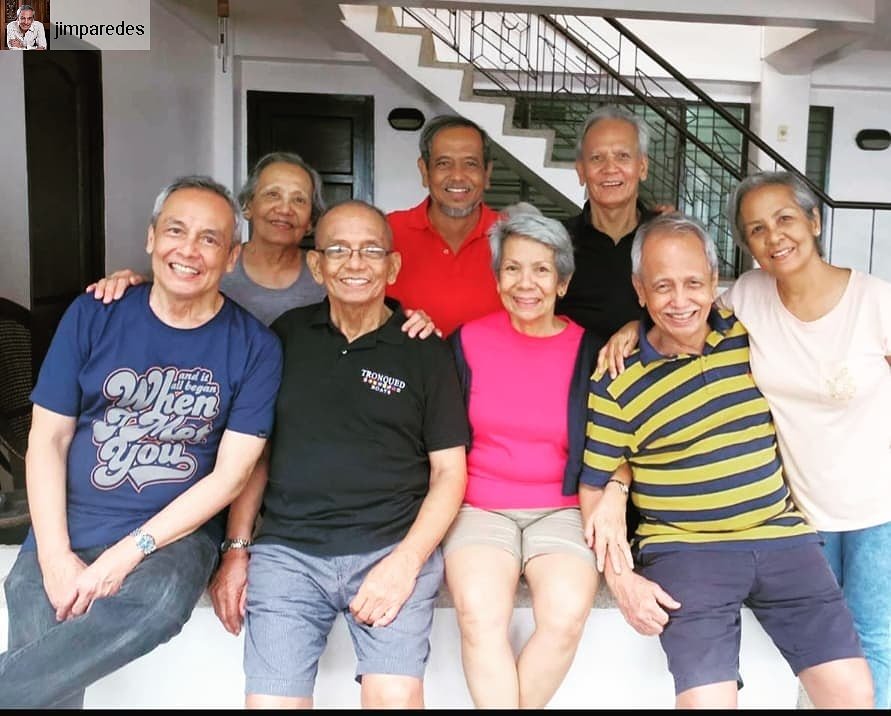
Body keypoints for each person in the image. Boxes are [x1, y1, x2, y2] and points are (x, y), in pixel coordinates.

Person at [598, 171, 891, 709]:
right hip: (786, 511)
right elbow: (679, 300)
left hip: (868, 504)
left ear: (814, 220)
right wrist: (632, 329)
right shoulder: (749, 299)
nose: (774, 236)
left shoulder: (875, 301)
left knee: (869, 656)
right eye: (757, 228)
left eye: (785, 218)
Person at [0, 176, 283, 708]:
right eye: (176, 230)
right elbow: (49, 438)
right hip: (72, 517)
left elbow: (231, 475)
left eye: (209, 239)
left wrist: (127, 554)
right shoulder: (94, 313)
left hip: (174, 536)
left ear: (231, 257)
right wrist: (56, 553)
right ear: (152, 237)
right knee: (32, 600)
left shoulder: (256, 347)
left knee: (159, 601)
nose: (189, 250)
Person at [212, 199, 469, 708]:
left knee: (394, 700)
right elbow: (256, 456)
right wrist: (237, 551)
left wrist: (406, 563)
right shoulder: (283, 338)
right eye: (339, 250)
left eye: (371, 250)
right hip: (289, 553)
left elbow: (448, 473)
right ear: (316, 264)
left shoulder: (425, 350)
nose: (355, 263)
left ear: (392, 266)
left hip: (390, 545)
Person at [443, 203, 607, 707]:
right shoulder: (466, 342)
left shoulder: (592, 350)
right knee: (478, 614)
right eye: (512, 268)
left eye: (541, 269)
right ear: (497, 278)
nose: (526, 282)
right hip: (477, 506)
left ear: (562, 281)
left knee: (563, 617)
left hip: (562, 509)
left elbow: (614, 439)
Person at [89, 152, 434, 335]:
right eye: (272, 195)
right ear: (248, 205)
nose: (284, 209)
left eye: (299, 200)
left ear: (312, 219)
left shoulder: (330, 270)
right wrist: (127, 284)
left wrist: (415, 320)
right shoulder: (209, 261)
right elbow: (166, 297)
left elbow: (373, 311)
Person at [386, 114, 503, 337]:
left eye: (470, 164)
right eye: (443, 163)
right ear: (424, 170)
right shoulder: (386, 233)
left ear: (487, 173)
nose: (457, 176)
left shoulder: (516, 237)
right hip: (407, 370)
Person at [557, 104, 659, 341]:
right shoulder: (556, 242)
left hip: (654, 374)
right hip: (574, 374)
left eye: (622, 156)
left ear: (642, 167)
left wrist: (639, 328)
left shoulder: (668, 239)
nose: (610, 168)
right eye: (596, 158)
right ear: (581, 171)